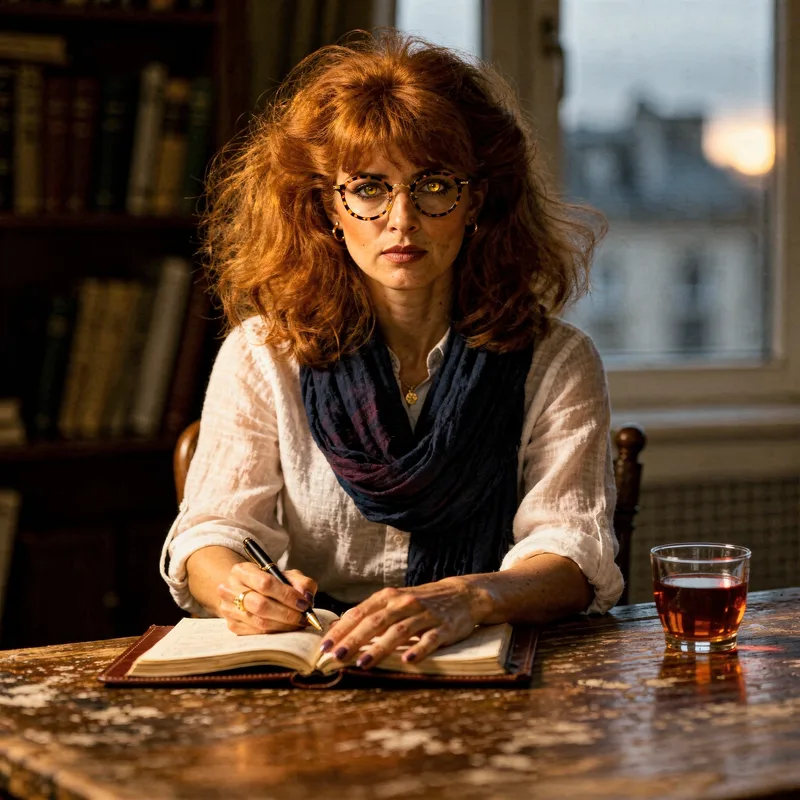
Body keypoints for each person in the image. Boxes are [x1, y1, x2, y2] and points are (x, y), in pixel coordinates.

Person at [160, 30, 622, 669]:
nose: (401, 219)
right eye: (370, 188)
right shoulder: (263, 353)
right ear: (329, 206)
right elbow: (210, 535)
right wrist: (241, 589)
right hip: (315, 669)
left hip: (488, 667)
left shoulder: (556, 360)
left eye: (433, 186)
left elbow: (573, 554)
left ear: (476, 203)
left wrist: (467, 596)